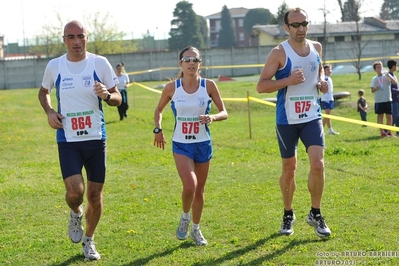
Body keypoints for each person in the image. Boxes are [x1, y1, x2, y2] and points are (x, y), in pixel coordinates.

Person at [38, 20, 122, 261]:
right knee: (75, 192)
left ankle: (89, 239)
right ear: (64, 39)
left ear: (87, 37)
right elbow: (44, 92)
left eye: (80, 36)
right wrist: (50, 112)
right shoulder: (55, 66)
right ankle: (75, 213)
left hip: (96, 138)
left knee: (95, 196)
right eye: (71, 37)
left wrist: (106, 95)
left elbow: (117, 97)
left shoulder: (99, 63)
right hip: (68, 138)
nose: (76, 41)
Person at [256, 7, 331, 238]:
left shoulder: (316, 47)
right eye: (296, 25)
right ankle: (288, 213)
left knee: (318, 165)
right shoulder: (279, 53)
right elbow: (261, 86)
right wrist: (287, 80)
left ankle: (315, 213)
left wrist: (321, 82)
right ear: (286, 28)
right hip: (287, 119)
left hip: (312, 116)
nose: (301, 29)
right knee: (290, 171)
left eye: (304, 24)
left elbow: (318, 71)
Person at [153, 45, 228, 246]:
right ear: (181, 64)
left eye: (195, 60)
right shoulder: (172, 88)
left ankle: (196, 229)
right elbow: (158, 110)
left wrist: (212, 117)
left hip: (203, 144)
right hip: (182, 145)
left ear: (200, 64)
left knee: (200, 190)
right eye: (187, 60)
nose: (191, 63)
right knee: (190, 185)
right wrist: (158, 129)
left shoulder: (209, 85)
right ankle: (185, 216)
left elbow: (224, 112)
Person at [370, 60, 397, 137]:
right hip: (379, 100)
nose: (380, 69)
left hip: (388, 99)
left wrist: (388, 75)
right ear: (375, 69)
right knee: (380, 116)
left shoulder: (386, 76)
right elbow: (372, 90)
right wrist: (376, 88)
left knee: (389, 116)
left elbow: (394, 82)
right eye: (378, 68)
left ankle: (389, 132)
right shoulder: (374, 79)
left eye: (381, 67)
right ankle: (382, 132)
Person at [321, 64, 339, 135]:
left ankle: (330, 129)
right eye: (328, 69)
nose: (330, 71)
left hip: (330, 98)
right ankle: (321, 130)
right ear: (324, 71)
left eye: (330, 69)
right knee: (327, 114)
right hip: (326, 99)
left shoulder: (329, 78)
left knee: (329, 115)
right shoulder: (324, 78)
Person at [387, 59, 399, 135]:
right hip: (393, 99)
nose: (397, 67)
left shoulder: (394, 75)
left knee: (398, 115)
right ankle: (387, 130)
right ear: (393, 66)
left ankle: (397, 131)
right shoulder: (389, 76)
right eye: (396, 65)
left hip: (397, 98)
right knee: (394, 116)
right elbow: (390, 89)